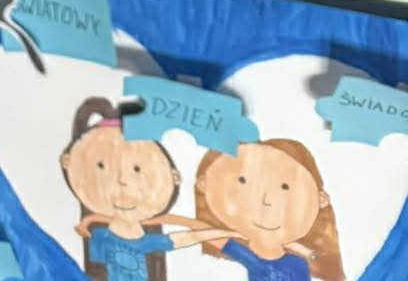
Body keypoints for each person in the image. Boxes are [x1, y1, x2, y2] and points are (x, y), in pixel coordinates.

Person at [59, 96, 220, 281]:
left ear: (173, 176)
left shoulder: (145, 239)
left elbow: (182, 238)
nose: (122, 181)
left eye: (136, 170)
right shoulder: (101, 236)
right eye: (103, 166)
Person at [193, 138, 344, 279]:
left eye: (285, 187)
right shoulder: (229, 258)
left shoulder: (298, 263)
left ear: (321, 199)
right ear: (204, 184)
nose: (266, 200)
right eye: (243, 181)